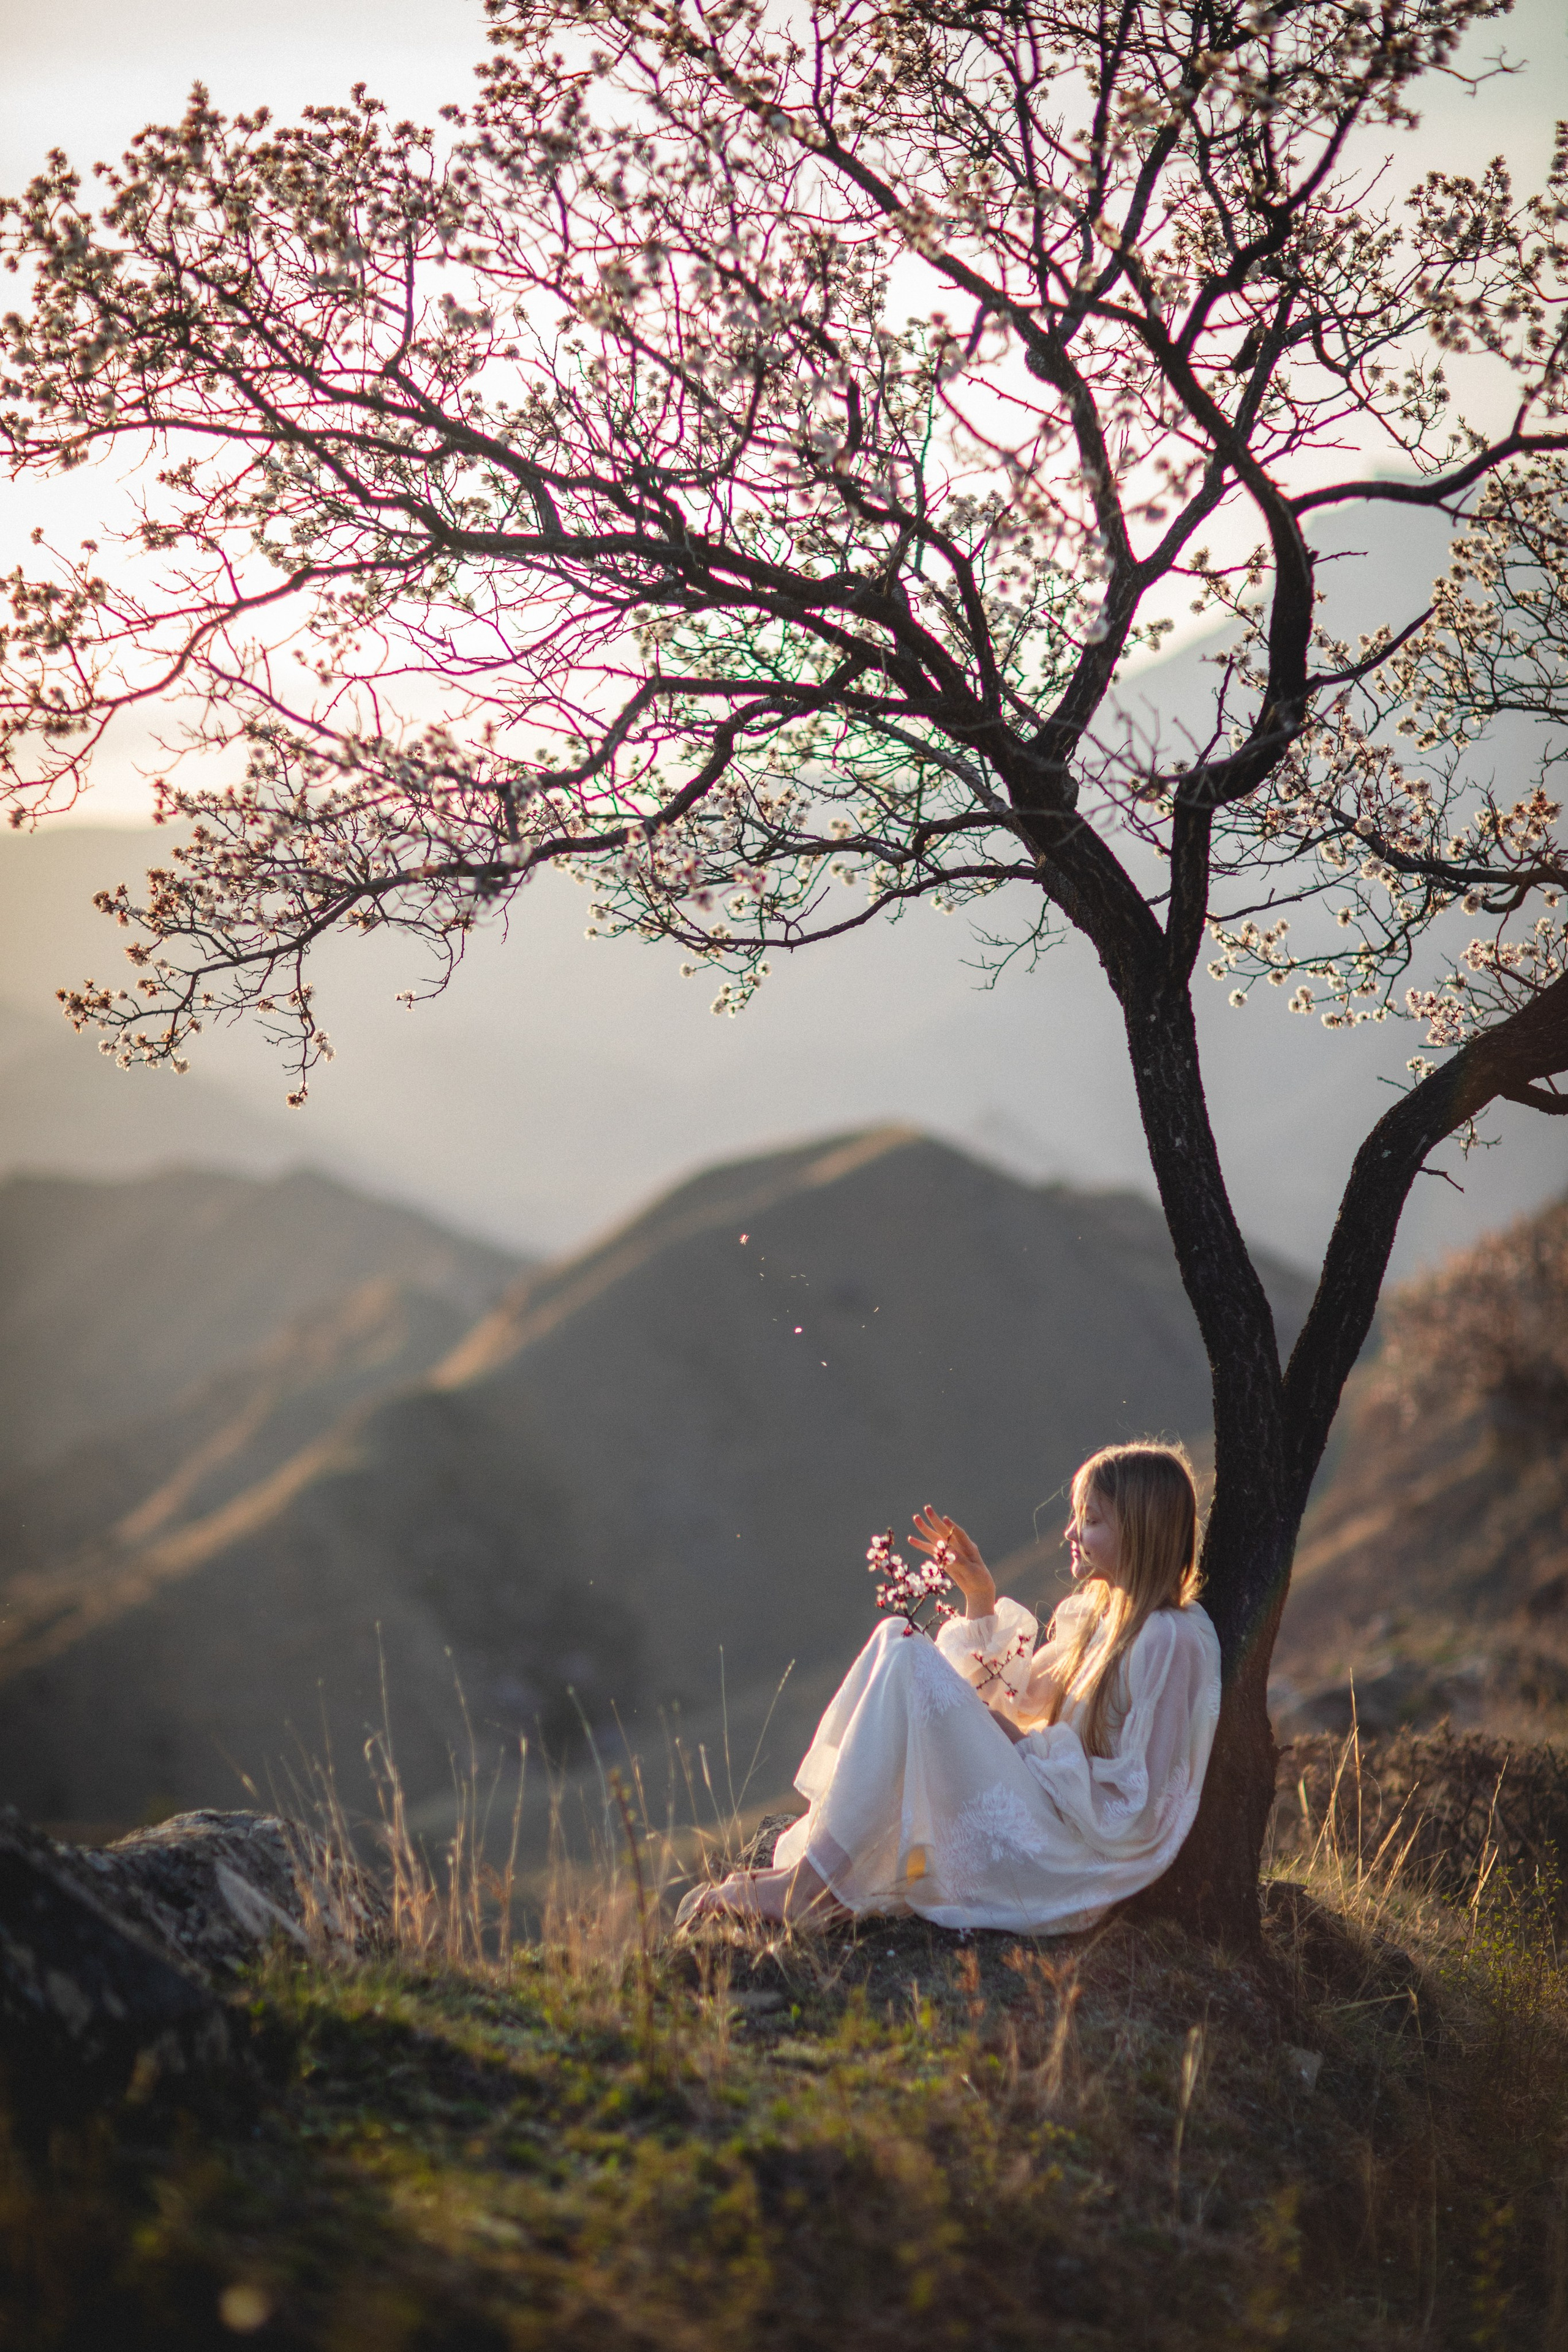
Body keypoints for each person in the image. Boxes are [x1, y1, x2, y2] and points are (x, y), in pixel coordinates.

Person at [675, 1442, 1221, 1935]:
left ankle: (809, 1888)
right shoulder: (1098, 1623)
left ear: (1141, 1529)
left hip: (1070, 1858)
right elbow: (1009, 1700)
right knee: (898, 1635)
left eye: (1092, 1520)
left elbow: (1141, 1808)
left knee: (911, 1654)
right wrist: (981, 1601)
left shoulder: (1168, 1639)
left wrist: (1023, 1744)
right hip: (1047, 1813)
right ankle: (820, 1870)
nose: (1070, 1533)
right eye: (1076, 1517)